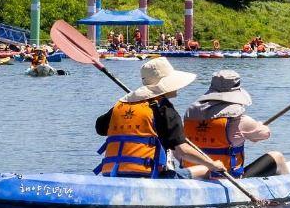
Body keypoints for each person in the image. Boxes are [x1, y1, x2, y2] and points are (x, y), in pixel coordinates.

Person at [93, 58, 225, 179]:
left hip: (111, 174)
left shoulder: (120, 105)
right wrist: (211, 164)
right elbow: (182, 151)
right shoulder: (164, 109)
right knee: (204, 169)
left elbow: (100, 128)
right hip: (152, 177)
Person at [183, 70, 289, 178]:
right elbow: (265, 134)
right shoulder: (240, 120)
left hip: (192, 175)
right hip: (227, 178)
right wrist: (260, 126)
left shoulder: (189, 115)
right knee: (277, 156)